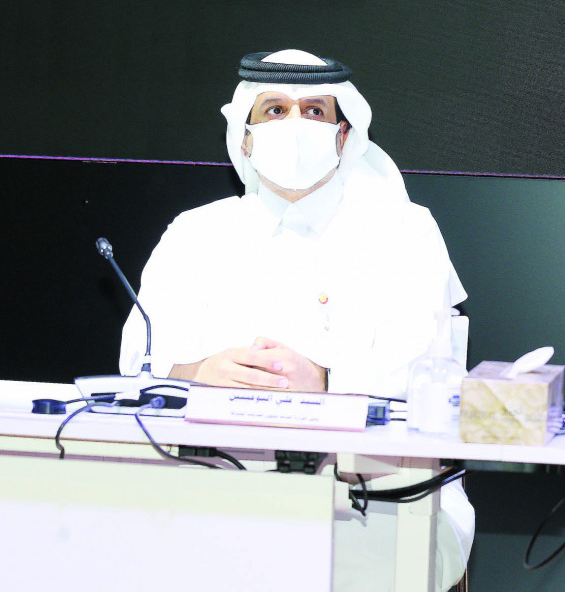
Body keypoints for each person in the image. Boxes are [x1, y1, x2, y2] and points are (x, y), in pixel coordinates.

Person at [119, 49, 472, 591]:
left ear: (343, 134)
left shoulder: (404, 233)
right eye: (276, 110)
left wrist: (326, 384)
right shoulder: (195, 233)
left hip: (375, 493)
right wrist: (195, 374)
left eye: (314, 111)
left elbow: (430, 379)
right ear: (245, 135)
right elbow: (135, 369)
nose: (296, 125)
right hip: (210, 484)